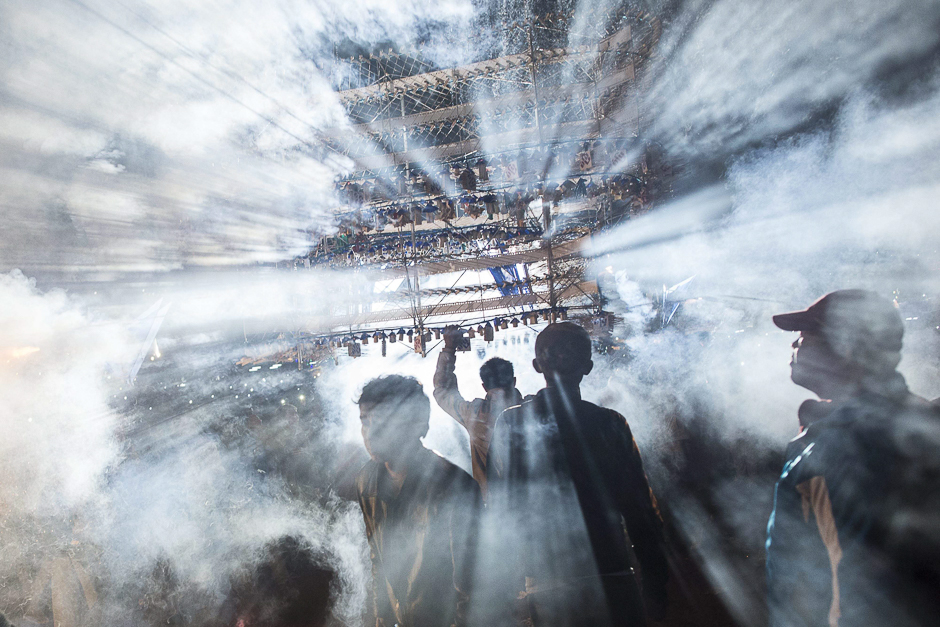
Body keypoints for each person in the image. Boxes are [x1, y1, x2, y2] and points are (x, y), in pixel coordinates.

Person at [766, 290, 940, 627]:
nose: (794, 346)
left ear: (846, 346)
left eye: (805, 336)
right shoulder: (917, 423)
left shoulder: (844, 444)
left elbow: (835, 581)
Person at [486, 322, 668, 627]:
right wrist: (655, 580)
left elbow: (501, 509)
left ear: (536, 366)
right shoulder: (610, 423)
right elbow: (640, 510)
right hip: (611, 573)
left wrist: (504, 586)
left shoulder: (510, 424)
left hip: (547, 579)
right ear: (588, 366)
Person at [355, 375, 480, 627]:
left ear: (414, 424)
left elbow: (472, 585)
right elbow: (378, 558)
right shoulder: (367, 480)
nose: (370, 432)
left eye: (382, 421)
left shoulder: (454, 486)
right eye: (365, 421)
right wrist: (382, 618)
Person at [433, 326, 525, 496]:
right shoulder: (533, 408)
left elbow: (442, 391)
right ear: (514, 380)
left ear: (484, 386)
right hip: (537, 505)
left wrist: (449, 349)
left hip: (492, 507)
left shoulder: (474, 414)